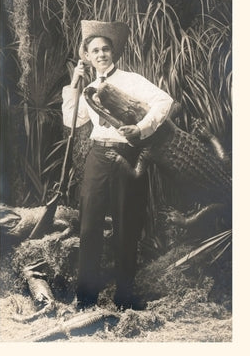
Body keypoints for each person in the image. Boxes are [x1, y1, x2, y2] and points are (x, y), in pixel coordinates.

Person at [62, 20, 173, 310]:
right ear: (86, 56)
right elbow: (70, 119)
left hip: (127, 156)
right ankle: (85, 298)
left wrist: (142, 127)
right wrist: (75, 83)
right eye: (95, 50)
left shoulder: (131, 80)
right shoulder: (86, 88)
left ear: (113, 52)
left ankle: (124, 297)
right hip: (97, 157)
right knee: (88, 226)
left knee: (127, 226)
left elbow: (164, 100)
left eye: (106, 49)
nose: (101, 54)